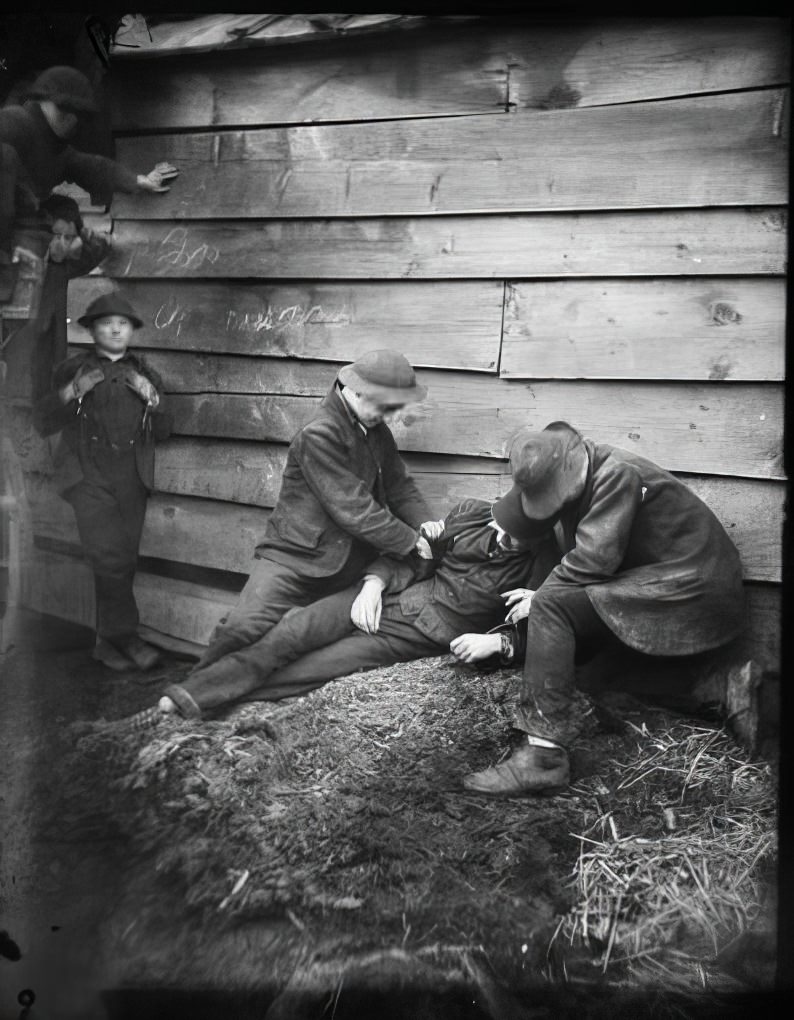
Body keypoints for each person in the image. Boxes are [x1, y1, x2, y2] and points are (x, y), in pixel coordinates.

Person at [462, 420, 747, 797]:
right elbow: (564, 552)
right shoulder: (578, 472)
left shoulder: (617, 475)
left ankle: (543, 759)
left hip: (693, 584)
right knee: (594, 677)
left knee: (551, 605)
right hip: (660, 580)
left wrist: (538, 599)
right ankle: (725, 688)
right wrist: (511, 531)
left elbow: (592, 563)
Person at [121, 496, 545, 726]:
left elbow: (541, 628)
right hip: (390, 598)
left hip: (413, 636)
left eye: (518, 539)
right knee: (293, 631)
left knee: (312, 668)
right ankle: (188, 694)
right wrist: (373, 585)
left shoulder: (541, 569)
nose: (504, 540)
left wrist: (498, 641)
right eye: (502, 529)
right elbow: (415, 559)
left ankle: (203, 708)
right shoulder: (472, 517)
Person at [188, 349, 441, 681]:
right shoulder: (319, 434)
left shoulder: (376, 432)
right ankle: (192, 693)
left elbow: (400, 487)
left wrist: (426, 526)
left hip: (348, 563)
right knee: (242, 628)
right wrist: (410, 541)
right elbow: (355, 510)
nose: (391, 417)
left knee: (313, 640)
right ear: (359, 392)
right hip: (294, 559)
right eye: (387, 407)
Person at [33, 292, 172, 671]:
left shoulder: (144, 372)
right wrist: (73, 391)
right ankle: (128, 638)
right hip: (87, 476)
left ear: (131, 331)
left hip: (130, 477)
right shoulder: (73, 369)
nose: (115, 328)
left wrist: (153, 400)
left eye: (123, 323)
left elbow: (165, 429)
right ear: (92, 329)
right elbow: (44, 421)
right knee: (108, 558)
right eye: (107, 323)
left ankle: (105, 644)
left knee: (123, 560)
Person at [1, 64, 177, 284]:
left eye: (76, 114)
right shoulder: (13, 123)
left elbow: (90, 167)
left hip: (25, 251)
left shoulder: (56, 149)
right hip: (8, 247)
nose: (71, 120)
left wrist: (136, 180)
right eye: (63, 109)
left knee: (67, 216)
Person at [27, 194, 113, 402]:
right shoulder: (27, 259)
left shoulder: (61, 268)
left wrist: (82, 233)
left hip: (46, 357)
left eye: (68, 237)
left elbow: (102, 247)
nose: (62, 244)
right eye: (57, 235)